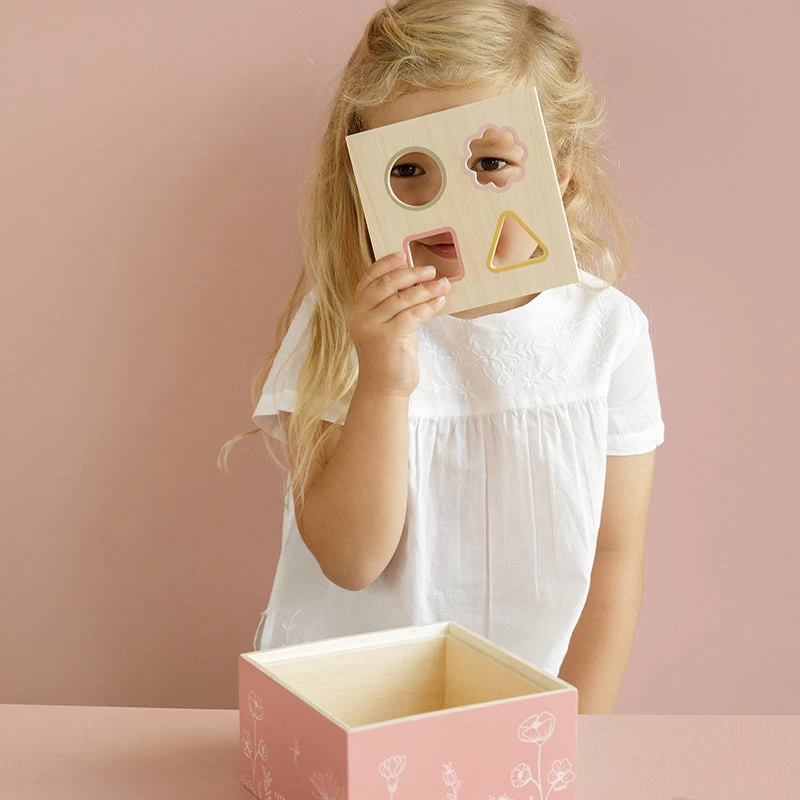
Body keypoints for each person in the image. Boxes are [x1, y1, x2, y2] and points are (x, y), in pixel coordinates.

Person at [218, 0, 665, 713]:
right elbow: (349, 560)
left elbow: (614, 559)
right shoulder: (341, 322)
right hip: (349, 706)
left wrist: (581, 724)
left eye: (490, 163)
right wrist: (383, 382)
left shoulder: (606, 332)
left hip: (520, 715)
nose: (443, 204)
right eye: (407, 169)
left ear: (562, 174)